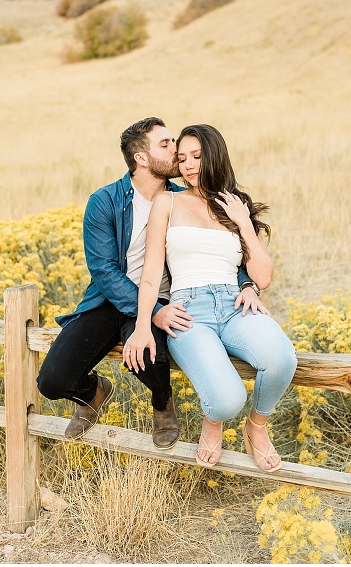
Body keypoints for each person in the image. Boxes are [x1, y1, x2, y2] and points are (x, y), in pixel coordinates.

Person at [36, 117, 266, 449]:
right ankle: (94, 392)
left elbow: (221, 252)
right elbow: (103, 269)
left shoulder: (182, 198)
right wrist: (152, 312)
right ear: (142, 158)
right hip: (109, 300)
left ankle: (162, 401)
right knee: (52, 382)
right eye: (166, 145)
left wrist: (247, 284)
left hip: (165, 299)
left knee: (152, 355)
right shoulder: (105, 201)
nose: (178, 152)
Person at [123, 124, 297, 472]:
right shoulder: (167, 201)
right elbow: (151, 271)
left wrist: (243, 222)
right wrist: (143, 325)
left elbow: (262, 276)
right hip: (188, 311)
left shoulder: (234, 205)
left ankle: (256, 428)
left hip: (235, 304)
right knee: (226, 399)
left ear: (215, 155)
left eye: (197, 157)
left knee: (282, 359)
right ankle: (213, 421)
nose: (188, 165)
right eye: (182, 158)